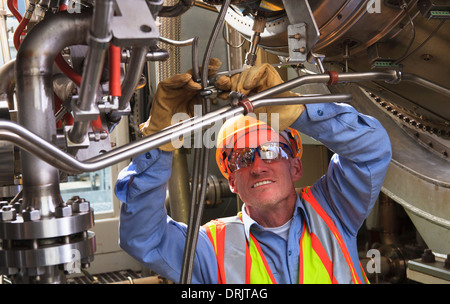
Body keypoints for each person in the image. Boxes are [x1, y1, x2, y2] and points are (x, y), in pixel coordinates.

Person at [115, 60, 392, 284]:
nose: (258, 166)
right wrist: (159, 143)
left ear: (295, 165)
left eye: (271, 151)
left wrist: (297, 110)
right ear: (232, 180)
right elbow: (143, 238)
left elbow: (371, 148)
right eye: (243, 158)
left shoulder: (333, 210)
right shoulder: (211, 249)